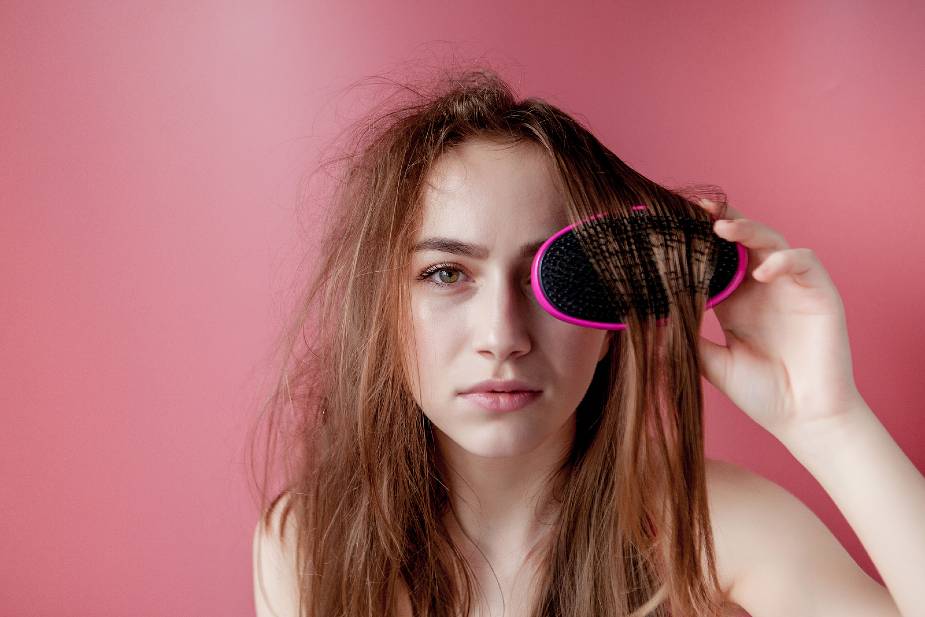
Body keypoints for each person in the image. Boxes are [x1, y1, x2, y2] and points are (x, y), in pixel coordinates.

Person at [250, 67, 919, 617]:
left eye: (552, 279)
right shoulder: (307, 543)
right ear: (382, 313)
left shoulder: (710, 528)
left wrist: (828, 421)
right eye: (446, 273)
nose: (502, 337)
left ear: (610, 319)